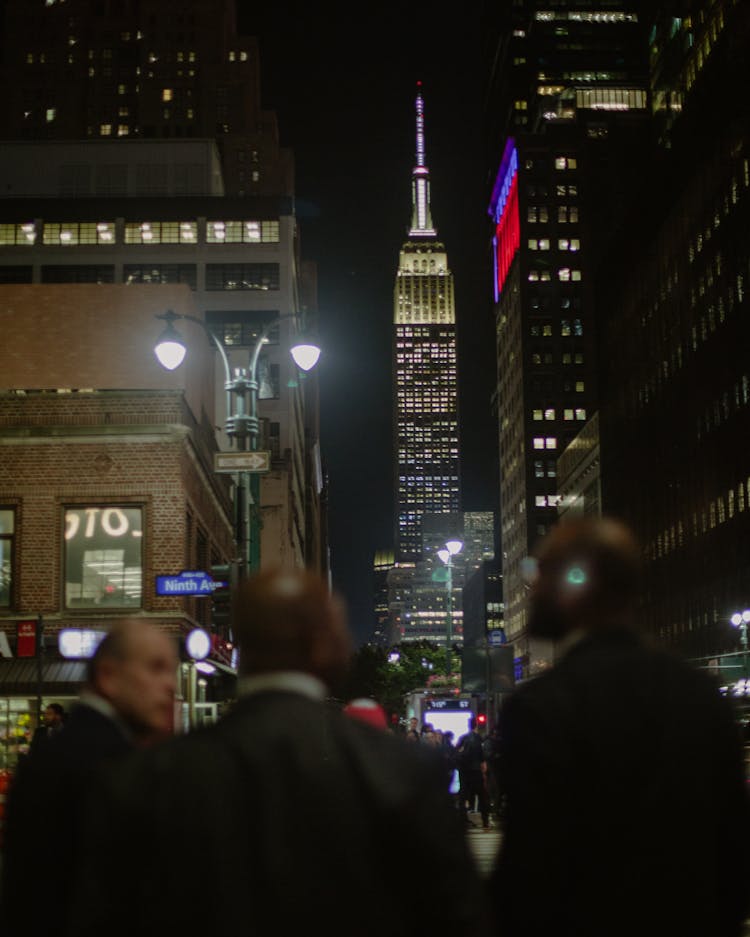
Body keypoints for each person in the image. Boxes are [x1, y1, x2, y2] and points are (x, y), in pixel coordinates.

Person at [69, 568, 489, 937]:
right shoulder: (404, 771)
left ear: (241, 644)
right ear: (328, 647)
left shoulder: (151, 777)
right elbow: (457, 916)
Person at [489, 516, 750, 937]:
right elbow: (734, 854)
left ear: (577, 584)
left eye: (541, 572)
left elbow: (530, 872)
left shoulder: (543, 706)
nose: (533, 587)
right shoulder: (701, 695)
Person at [0, 619, 178, 937]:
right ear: (108, 676)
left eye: (171, 671)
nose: (170, 685)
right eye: (155, 668)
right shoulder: (116, 765)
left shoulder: (50, 757)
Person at [456, 717, 491, 830]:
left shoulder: (463, 738)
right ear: (476, 725)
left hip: (465, 772)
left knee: (463, 798)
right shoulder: (478, 738)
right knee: (482, 796)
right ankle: (485, 822)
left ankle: (462, 821)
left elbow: (456, 752)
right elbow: (482, 756)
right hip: (476, 772)